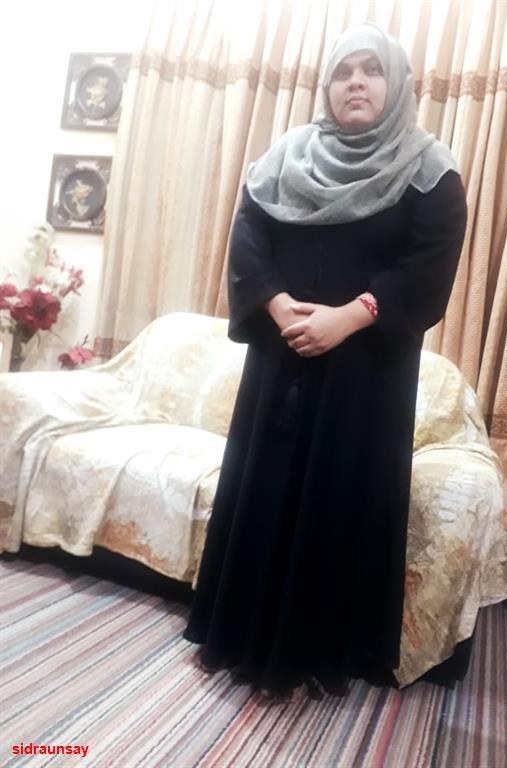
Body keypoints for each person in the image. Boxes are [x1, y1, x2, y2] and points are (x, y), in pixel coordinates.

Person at [183, 22, 468, 702]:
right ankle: (240, 634)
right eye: (343, 72)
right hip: (281, 363)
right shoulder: (285, 158)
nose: (356, 83)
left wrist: (349, 317)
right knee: (265, 492)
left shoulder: (430, 171)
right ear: (326, 86)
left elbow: (428, 267)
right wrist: (278, 305)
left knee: (340, 502)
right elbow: (248, 236)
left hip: (365, 377)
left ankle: (320, 651)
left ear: (396, 85)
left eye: (372, 70)